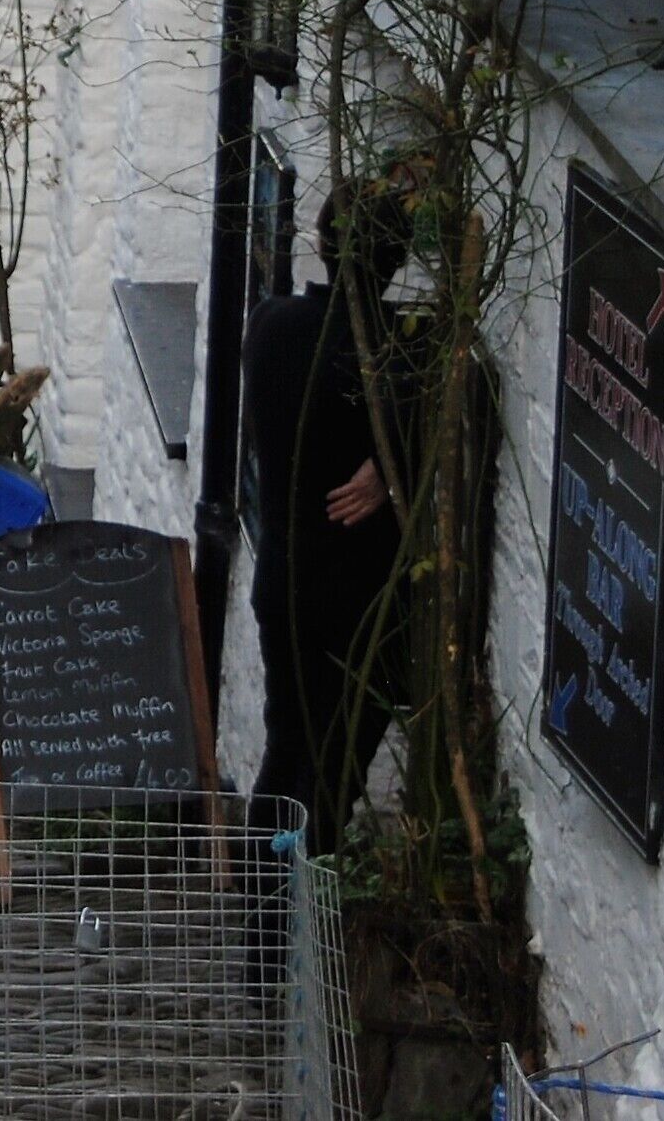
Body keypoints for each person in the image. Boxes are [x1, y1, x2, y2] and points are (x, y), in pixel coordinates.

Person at [241, 178, 412, 837]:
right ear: (394, 262)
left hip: (281, 577)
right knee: (334, 766)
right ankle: (305, 927)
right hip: (355, 596)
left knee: (286, 747)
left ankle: (262, 934)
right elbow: (463, 398)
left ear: (322, 245)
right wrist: (394, 461)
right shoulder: (395, 354)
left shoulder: (271, 323)